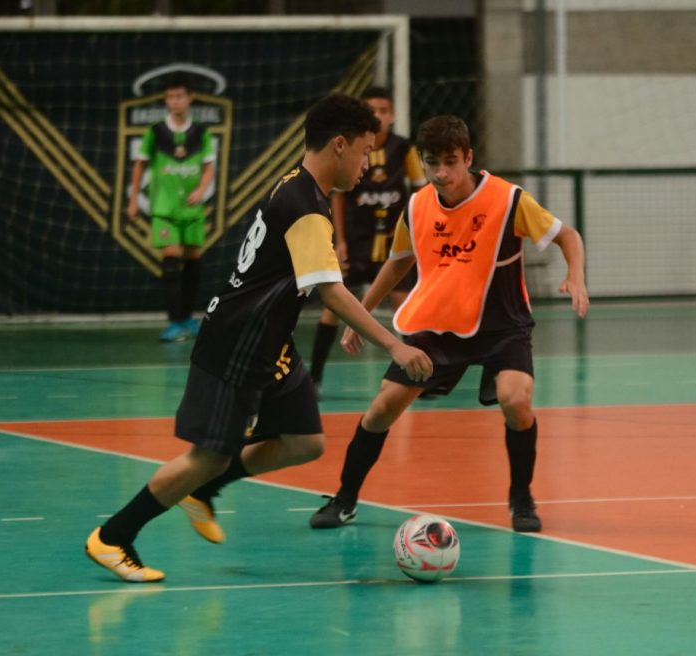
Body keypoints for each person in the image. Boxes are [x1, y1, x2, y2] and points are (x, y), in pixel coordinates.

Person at [85, 93, 434, 582]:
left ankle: (204, 491)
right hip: (240, 341)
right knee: (206, 456)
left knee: (305, 442)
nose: (366, 164)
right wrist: (395, 344)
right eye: (364, 151)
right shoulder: (306, 206)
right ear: (339, 145)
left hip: (271, 340)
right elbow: (331, 294)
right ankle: (114, 537)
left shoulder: (297, 183)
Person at [309, 115, 590, 533]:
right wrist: (361, 317)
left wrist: (576, 276)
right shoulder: (419, 205)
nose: (441, 173)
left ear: (469, 158)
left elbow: (569, 235)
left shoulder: (508, 200)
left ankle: (521, 496)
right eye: (431, 163)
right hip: (438, 322)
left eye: (451, 162)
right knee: (383, 406)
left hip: (501, 325)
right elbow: (396, 264)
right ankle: (345, 497)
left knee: (516, 399)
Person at [309, 86, 427, 395]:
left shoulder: (405, 149)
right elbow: (339, 196)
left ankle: (419, 372)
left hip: (393, 241)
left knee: (405, 304)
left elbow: (421, 192)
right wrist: (341, 239)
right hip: (359, 239)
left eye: (384, 111)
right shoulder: (352, 149)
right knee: (332, 307)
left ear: (393, 115)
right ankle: (314, 377)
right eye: (372, 110)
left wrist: (418, 233)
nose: (379, 116)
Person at [127, 73, 216, 342]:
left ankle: (188, 318)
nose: (175, 101)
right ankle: (174, 321)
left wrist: (201, 190)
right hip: (165, 207)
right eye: (170, 97)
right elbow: (140, 164)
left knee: (193, 262)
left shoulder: (201, 133)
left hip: (191, 209)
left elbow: (210, 166)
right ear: (166, 100)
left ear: (190, 98)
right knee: (170, 260)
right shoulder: (155, 132)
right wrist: (132, 200)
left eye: (179, 96)